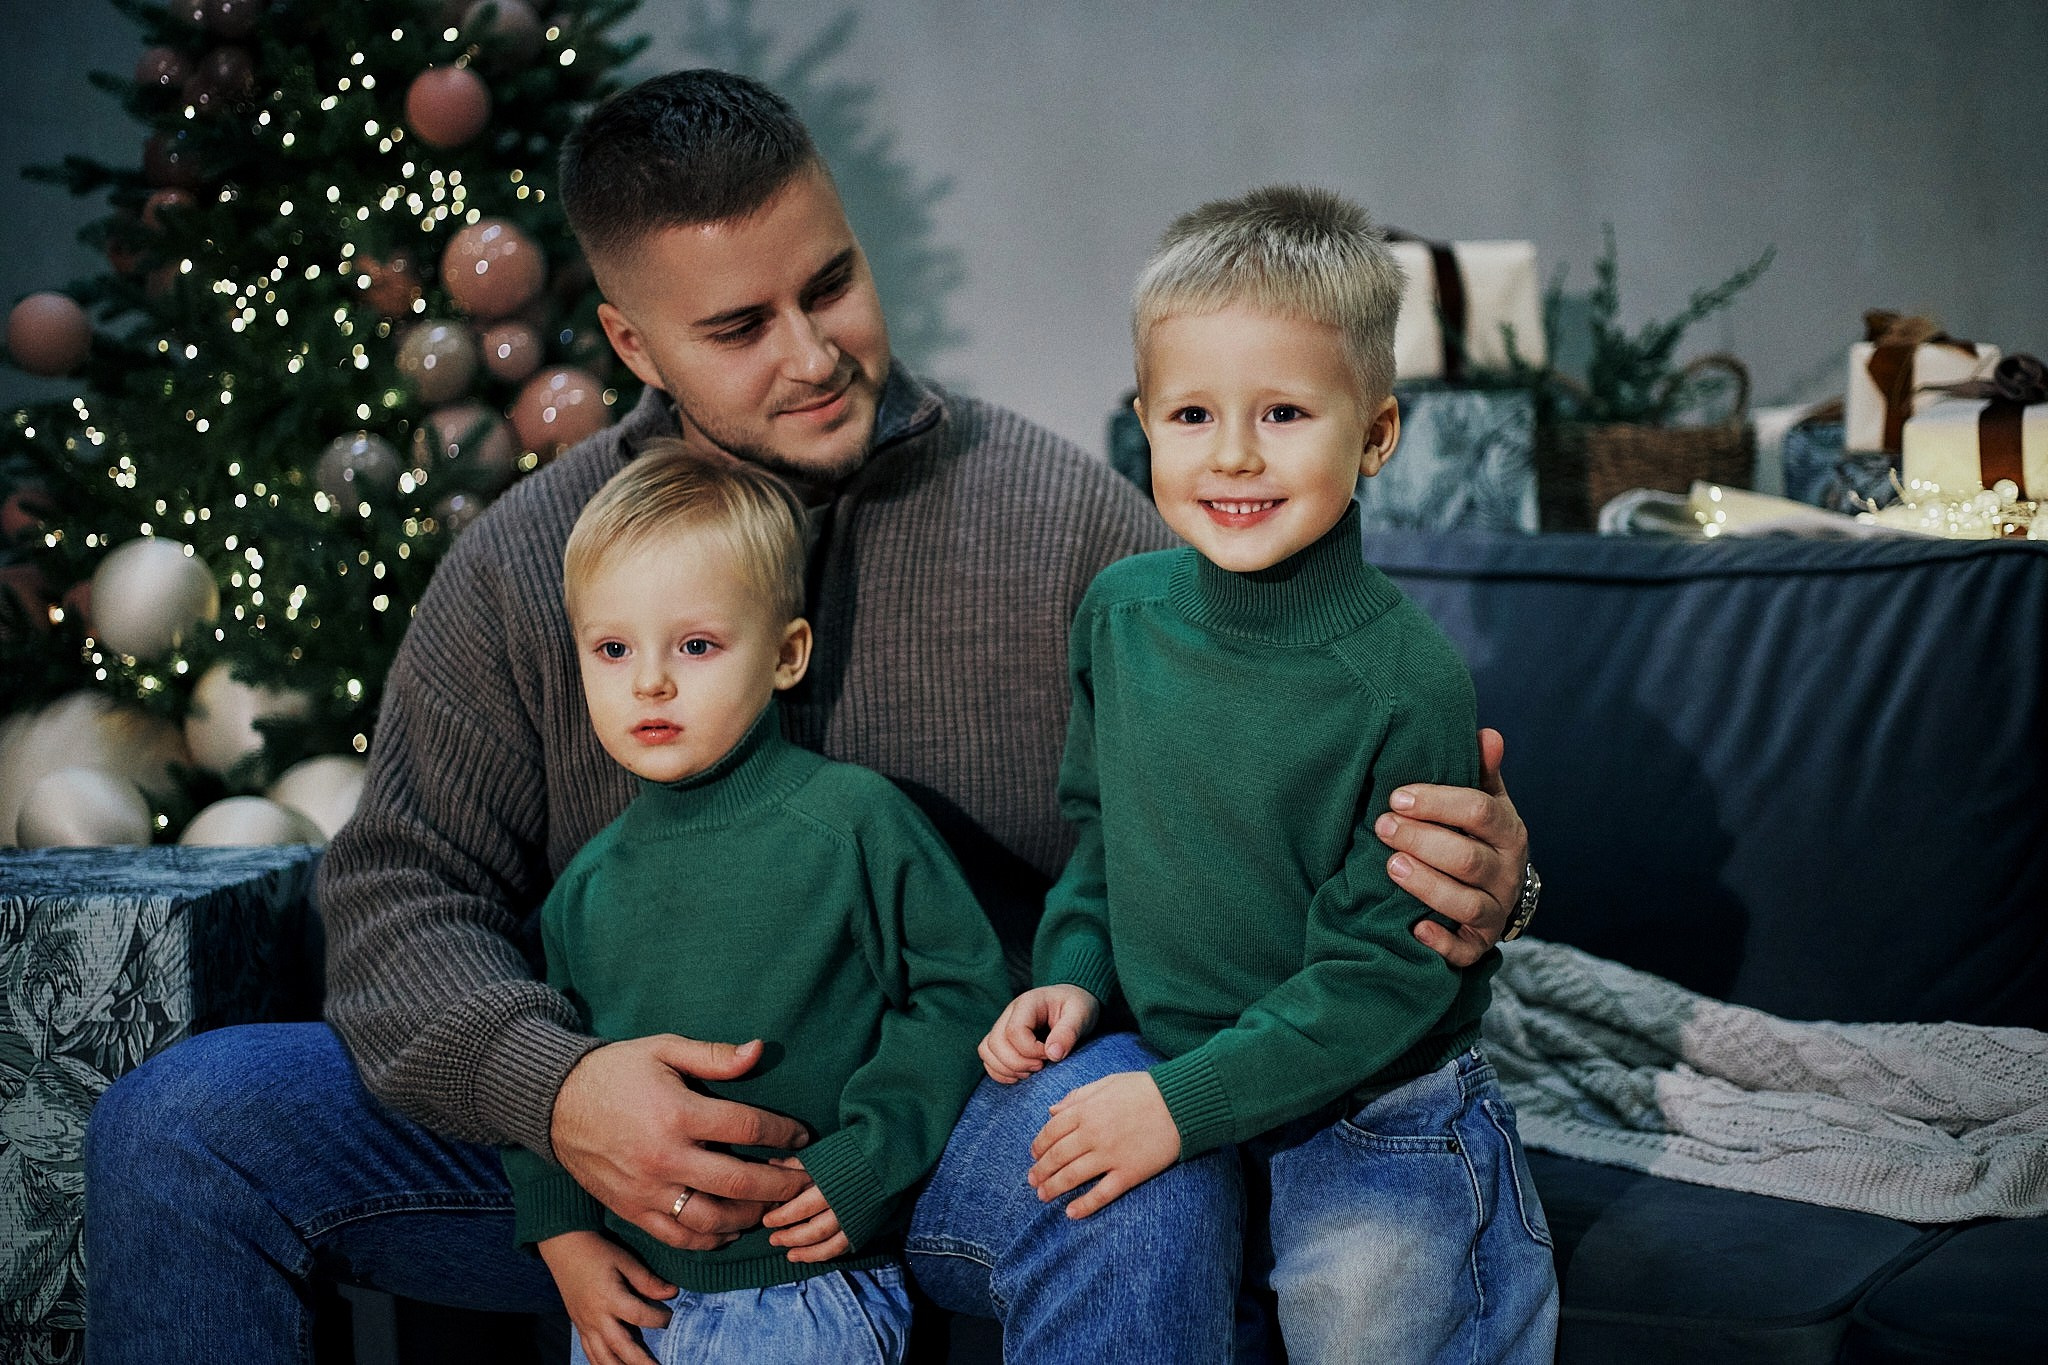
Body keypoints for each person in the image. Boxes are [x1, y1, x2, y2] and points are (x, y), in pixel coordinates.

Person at [82, 71, 1531, 1365]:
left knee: (1131, 1174)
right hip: (625, 1130)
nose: (816, 350)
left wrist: (1500, 880)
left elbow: (1290, 775)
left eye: (830, 283)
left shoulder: (1058, 525)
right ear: (633, 344)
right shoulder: (535, 559)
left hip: (950, 1110)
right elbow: (399, 897)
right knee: (181, 1124)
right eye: (738, 326)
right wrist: (561, 1093)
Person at [980, 187, 1559, 1363]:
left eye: (1284, 412)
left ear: (1376, 434)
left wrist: (1174, 1109)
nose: (1233, 453)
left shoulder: (1402, 685)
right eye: (1190, 414)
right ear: (1141, 422)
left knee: (1364, 1311)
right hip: (1170, 1058)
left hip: (1369, 1099)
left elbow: (1378, 976)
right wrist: (1077, 972)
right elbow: (1102, 836)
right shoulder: (1119, 619)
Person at [510, 445, 1010, 1364]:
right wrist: (564, 1238)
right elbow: (558, 1083)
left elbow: (963, 996)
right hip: (637, 1307)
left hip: (805, 1295)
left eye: (695, 645)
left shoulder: (854, 821)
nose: (649, 681)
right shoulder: (585, 885)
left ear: (786, 655)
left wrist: (870, 1157)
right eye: (612, 648)